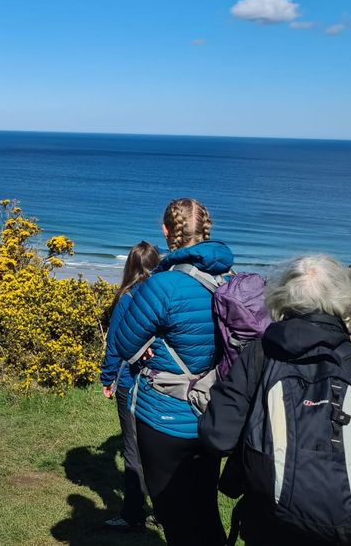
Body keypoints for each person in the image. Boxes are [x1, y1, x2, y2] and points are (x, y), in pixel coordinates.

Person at [199, 255, 351, 546]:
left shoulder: (256, 357)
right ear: (342, 300)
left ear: (281, 297)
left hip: (271, 525)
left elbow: (217, 437)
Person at [111, 197, 232, 546]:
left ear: (166, 232)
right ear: (207, 230)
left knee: (175, 516)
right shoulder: (229, 278)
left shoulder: (161, 285)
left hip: (165, 415)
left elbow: (124, 343)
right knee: (206, 509)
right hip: (214, 411)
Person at [99, 240, 161, 531]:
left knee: (133, 450)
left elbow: (115, 344)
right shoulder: (163, 295)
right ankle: (163, 512)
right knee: (159, 449)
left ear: (131, 266)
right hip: (160, 382)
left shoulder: (127, 297)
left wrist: (107, 378)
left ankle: (133, 513)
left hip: (130, 381)